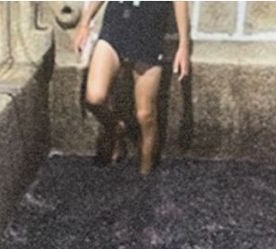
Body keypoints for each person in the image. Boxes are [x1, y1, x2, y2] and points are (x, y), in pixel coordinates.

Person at [72, 1, 192, 175]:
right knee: (94, 97)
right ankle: (116, 129)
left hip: (149, 32)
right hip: (116, 26)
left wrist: (183, 46)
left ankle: (146, 169)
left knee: (145, 115)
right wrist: (84, 24)